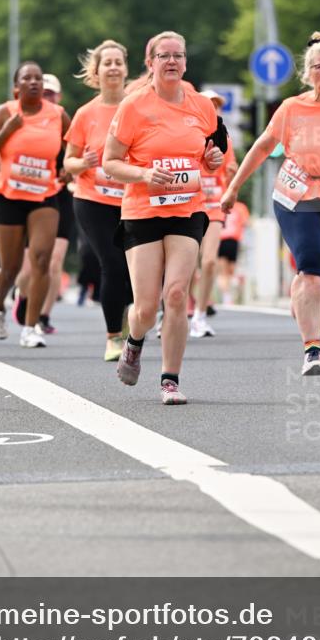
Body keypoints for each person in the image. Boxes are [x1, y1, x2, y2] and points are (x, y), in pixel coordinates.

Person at [222, 32, 320, 377]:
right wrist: (233, 187)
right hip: (297, 195)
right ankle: (311, 349)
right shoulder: (292, 108)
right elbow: (261, 146)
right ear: (307, 73)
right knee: (312, 266)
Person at [103, 31, 225, 405]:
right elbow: (110, 163)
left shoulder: (201, 105)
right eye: (164, 56)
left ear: (185, 62)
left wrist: (212, 160)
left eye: (178, 56)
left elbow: (213, 148)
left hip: (186, 209)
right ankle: (135, 342)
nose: (172, 61)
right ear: (150, 63)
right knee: (144, 306)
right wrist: (142, 174)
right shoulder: (134, 106)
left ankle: (170, 379)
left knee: (175, 294)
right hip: (142, 211)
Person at [0, 61, 70, 348]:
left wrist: (67, 169)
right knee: (9, 268)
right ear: (16, 87)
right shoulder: (4, 113)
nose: (35, 82)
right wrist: (8, 130)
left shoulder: (58, 115)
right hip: (8, 197)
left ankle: (31, 326)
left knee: (41, 260)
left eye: (38, 78)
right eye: (28, 78)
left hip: (44, 195)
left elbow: (73, 149)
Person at [64, 39, 132, 361]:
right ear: (97, 70)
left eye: (119, 62)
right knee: (113, 262)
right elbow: (69, 162)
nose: (114, 67)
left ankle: (129, 320)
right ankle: (112, 337)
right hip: (93, 199)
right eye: (108, 62)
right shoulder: (85, 114)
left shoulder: (138, 108)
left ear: (126, 68)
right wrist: (85, 163)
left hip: (133, 198)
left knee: (135, 267)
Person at [13, 73, 74, 334]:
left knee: (55, 260)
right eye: (43, 93)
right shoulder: (23, 120)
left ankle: (42, 316)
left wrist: (70, 171)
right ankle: (24, 295)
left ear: (58, 97)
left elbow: (76, 155)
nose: (46, 97)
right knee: (32, 262)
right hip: (32, 195)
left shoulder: (64, 121)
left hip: (61, 195)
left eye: (51, 93)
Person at [189, 89, 237, 338]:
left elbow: (232, 167)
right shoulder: (187, 132)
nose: (214, 109)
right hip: (188, 204)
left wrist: (232, 175)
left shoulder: (223, 137)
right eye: (209, 104)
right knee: (184, 265)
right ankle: (173, 309)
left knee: (208, 261)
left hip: (214, 205)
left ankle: (199, 315)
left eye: (217, 105)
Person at [217, 200, 250, 306]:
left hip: (233, 239)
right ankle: (227, 296)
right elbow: (246, 223)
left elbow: (245, 223)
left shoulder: (240, 207)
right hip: (222, 239)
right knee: (224, 271)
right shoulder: (220, 205)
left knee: (230, 270)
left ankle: (229, 289)